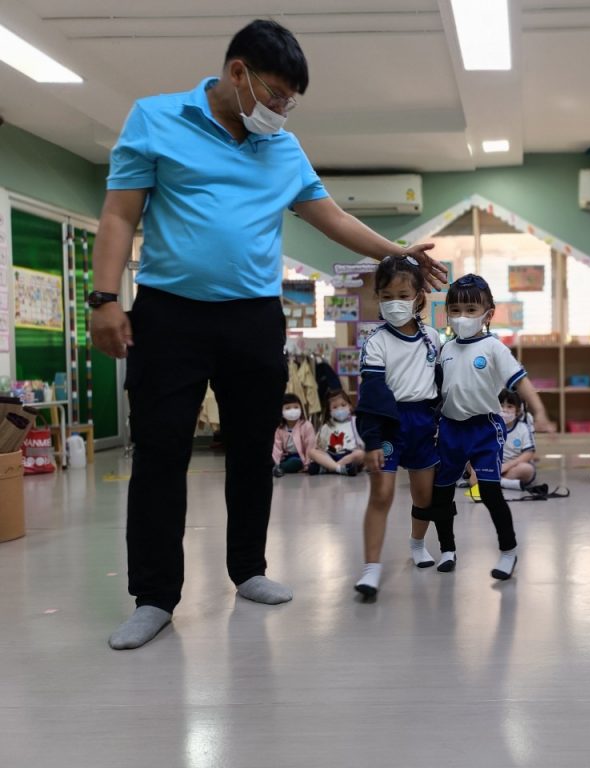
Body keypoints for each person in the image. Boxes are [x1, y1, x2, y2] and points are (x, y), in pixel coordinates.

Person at [94, 20, 446, 650]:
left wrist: (398, 253)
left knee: (253, 446)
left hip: (252, 317)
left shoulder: (282, 146)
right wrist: (104, 298)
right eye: (277, 94)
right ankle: (154, 597)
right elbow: (121, 213)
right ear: (239, 73)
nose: (282, 109)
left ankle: (248, 569)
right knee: (160, 452)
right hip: (170, 314)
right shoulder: (156, 118)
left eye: (291, 100)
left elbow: (328, 214)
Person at [427, 274, 555, 581]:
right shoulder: (445, 349)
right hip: (450, 429)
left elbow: (521, 382)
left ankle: (508, 551)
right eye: (455, 310)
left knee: (489, 491)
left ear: (488, 314)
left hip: (484, 429)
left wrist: (539, 412)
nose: (462, 316)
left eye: (471, 310)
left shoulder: (494, 347)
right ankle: (447, 549)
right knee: (441, 492)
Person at [353, 256, 452, 598]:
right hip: (389, 425)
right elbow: (371, 395)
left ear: (418, 297)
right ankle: (371, 569)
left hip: (423, 424)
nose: (395, 303)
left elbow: (443, 385)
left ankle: (417, 544)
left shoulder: (432, 338)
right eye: (387, 296)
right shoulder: (376, 342)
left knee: (424, 495)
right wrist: (371, 441)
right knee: (381, 493)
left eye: (403, 295)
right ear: (378, 298)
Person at [464, 389, 539, 493]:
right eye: (501, 406)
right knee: (469, 463)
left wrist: (507, 465)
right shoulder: (488, 427)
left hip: (512, 467)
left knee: (526, 469)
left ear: (517, 411)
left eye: (510, 406)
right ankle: (501, 482)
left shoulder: (523, 428)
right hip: (490, 466)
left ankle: (493, 482)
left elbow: (529, 453)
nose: (504, 410)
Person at [308, 388, 365, 476]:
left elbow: (363, 442)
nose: (340, 409)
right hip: (331, 455)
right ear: (330, 411)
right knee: (312, 452)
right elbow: (319, 446)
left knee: (360, 454)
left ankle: (328, 467)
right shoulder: (327, 426)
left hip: (349, 454)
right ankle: (340, 468)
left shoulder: (355, 421)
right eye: (335, 407)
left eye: (343, 405)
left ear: (350, 406)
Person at [272, 394, 316, 475]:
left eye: (296, 407)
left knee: (295, 462)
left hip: (300, 458)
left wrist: (307, 464)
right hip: (285, 457)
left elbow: (310, 446)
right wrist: (276, 463)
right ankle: (277, 467)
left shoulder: (306, 425)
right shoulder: (279, 428)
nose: (292, 410)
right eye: (287, 408)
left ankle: (279, 468)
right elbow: (277, 448)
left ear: (301, 409)